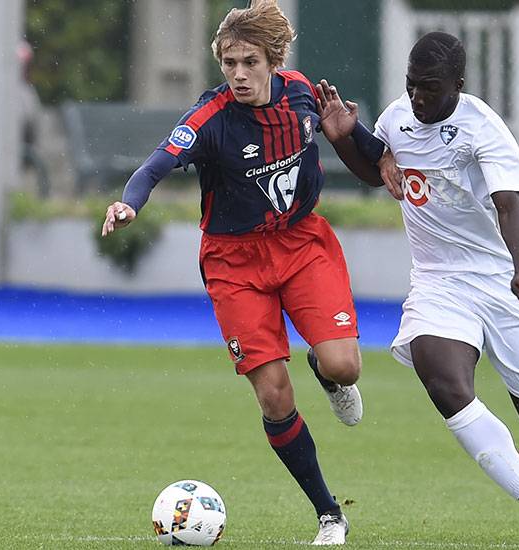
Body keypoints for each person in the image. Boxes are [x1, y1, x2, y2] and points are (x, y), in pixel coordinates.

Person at [101, 1, 366, 545]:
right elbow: (156, 164)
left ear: (272, 61)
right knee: (273, 397)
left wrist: (363, 146)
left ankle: (324, 366)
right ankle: (329, 514)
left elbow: (349, 139)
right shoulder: (210, 118)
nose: (239, 74)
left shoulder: (301, 95)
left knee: (345, 367)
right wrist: (129, 203)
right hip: (234, 262)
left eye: (249, 62)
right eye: (228, 63)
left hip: (300, 244)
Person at [315, 32, 519, 547]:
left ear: (458, 84)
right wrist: (345, 137)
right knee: (444, 382)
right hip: (438, 282)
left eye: (429, 89)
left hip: (502, 280)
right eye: (411, 86)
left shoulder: (484, 128)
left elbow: (510, 207)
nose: (417, 98)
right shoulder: (397, 118)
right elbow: (380, 175)